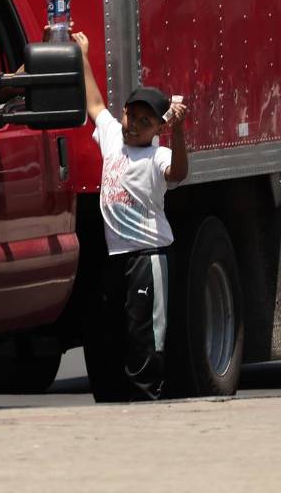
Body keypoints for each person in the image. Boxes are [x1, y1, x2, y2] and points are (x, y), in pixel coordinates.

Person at [75, 31, 188, 400]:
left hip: (147, 256)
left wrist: (181, 133)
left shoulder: (158, 156)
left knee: (145, 335)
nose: (134, 125)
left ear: (159, 128)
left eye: (145, 121)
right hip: (115, 256)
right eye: (131, 115)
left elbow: (179, 174)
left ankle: (147, 398)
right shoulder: (112, 136)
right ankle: (114, 401)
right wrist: (84, 56)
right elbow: (93, 103)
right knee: (111, 329)